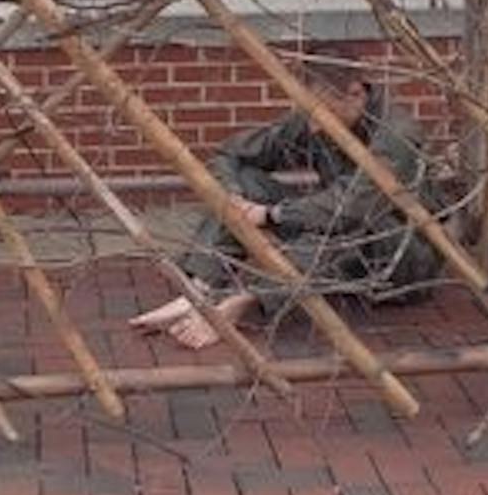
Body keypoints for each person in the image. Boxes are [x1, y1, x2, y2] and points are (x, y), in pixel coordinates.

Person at [131, 42, 445, 349]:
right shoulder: (317, 117)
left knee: (340, 225)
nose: (312, 125)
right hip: (339, 234)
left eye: (321, 111)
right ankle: (198, 290)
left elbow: (352, 206)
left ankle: (243, 302)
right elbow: (230, 154)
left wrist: (272, 214)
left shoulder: (396, 135)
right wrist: (235, 200)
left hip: (401, 260)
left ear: (355, 93)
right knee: (248, 181)